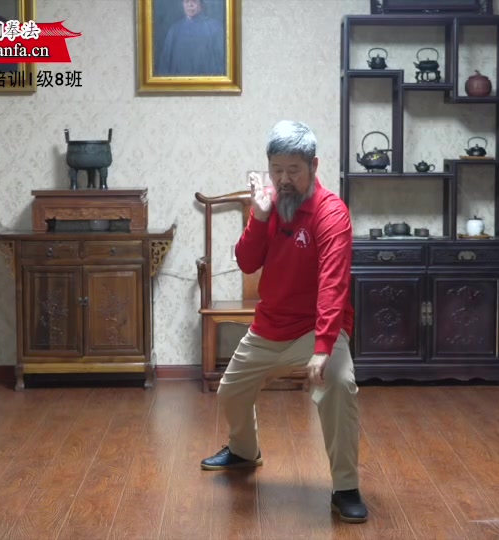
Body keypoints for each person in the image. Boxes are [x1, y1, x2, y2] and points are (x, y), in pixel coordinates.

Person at [200, 121, 368, 524]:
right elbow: (246, 262)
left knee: (339, 384)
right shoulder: (269, 205)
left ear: (313, 166)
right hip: (270, 324)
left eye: (293, 170)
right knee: (231, 391)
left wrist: (324, 347)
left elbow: (333, 283)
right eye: (276, 169)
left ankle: (345, 487)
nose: (284, 179)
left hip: (317, 327)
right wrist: (258, 217)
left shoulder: (331, 213)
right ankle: (244, 451)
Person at [156, 0, 225, 76]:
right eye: (187, 1)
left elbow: (221, 63)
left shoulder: (215, 28)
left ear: (201, 4)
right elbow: (165, 63)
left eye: (194, 1)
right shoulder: (175, 30)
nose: (190, 5)